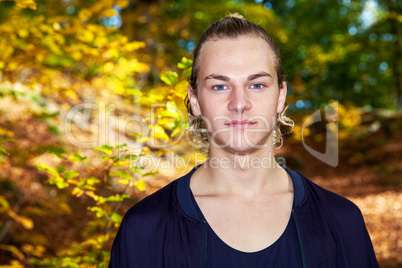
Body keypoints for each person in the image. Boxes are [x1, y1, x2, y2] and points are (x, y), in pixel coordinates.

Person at [109, 14, 379, 267]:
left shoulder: (342, 223)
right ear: (194, 100)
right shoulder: (145, 229)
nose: (239, 103)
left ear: (281, 95)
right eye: (220, 86)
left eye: (257, 84)